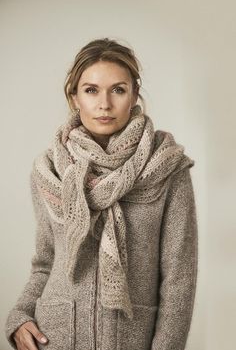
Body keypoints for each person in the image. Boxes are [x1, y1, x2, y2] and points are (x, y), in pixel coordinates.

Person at [5, 37, 198, 350]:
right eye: (91, 90)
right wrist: (20, 316)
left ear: (135, 93)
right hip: (54, 339)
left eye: (118, 90)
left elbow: (179, 279)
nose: (104, 103)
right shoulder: (49, 170)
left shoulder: (167, 167)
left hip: (130, 340)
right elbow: (45, 263)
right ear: (74, 97)